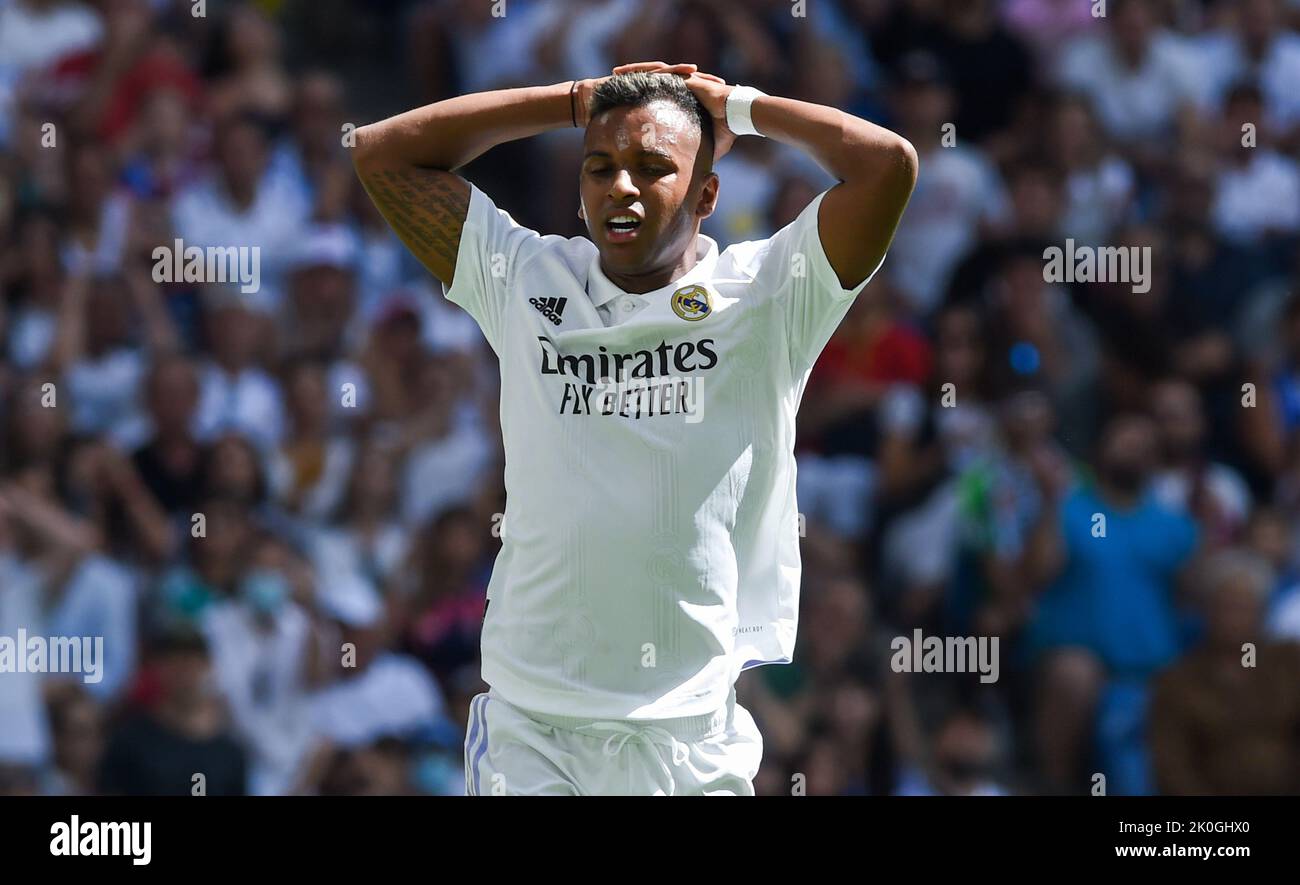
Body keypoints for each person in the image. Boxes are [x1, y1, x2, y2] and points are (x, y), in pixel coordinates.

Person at [351, 61, 918, 795]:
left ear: (707, 192)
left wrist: (739, 107)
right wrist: (573, 101)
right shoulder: (526, 277)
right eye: (600, 167)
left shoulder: (768, 296)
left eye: (653, 168)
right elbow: (379, 152)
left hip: (689, 737)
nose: (621, 185)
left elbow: (888, 166)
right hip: (535, 731)